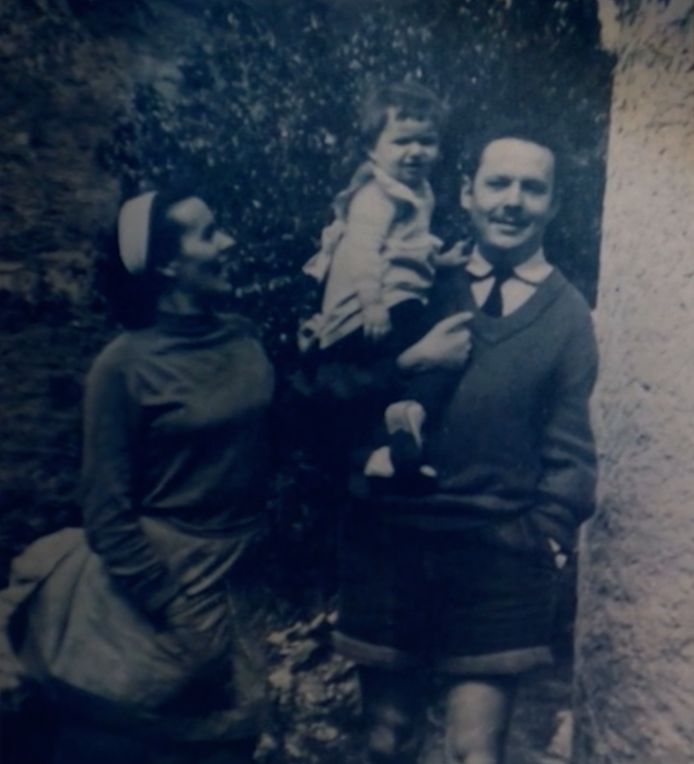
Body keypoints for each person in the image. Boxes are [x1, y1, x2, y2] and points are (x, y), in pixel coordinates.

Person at [333, 124, 599, 764]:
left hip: (496, 561)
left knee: (473, 754)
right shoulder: (418, 282)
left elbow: (571, 453)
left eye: (533, 189)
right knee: (386, 737)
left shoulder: (567, 317)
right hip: (393, 547)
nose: (513, 201)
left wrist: (540, 533)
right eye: (498, 183)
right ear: (467, 193)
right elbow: (338, 397)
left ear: (555, 204)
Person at [0, 189, 275, 763]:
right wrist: (171, 606)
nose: (227, 243)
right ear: (168, 264)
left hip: (234, 583)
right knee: (132, 740)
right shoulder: (123, 366)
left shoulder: (245, 339)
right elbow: (105, 512)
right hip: (149, 597)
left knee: (229, 738)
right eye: (207, 233)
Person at [299, 82, 465, 481]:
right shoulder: (375, 195)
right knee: (416, 362)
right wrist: (372, 304)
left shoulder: (417, 190)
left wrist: (441, 261)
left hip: (397, 304)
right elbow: (363, 251)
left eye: (427, 141)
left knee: (442, 352)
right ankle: (384, 440)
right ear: (373, 150)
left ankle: (397, 438)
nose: (416, 151)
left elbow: (404, 251)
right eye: (402, 141)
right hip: (366, 312)